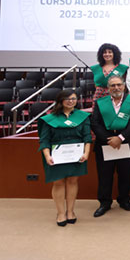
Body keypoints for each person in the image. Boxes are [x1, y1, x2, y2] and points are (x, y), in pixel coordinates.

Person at [91, 75, 130, 217]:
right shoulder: (100, 102)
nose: (116, 88)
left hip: (125, 142)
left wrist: (120, 138)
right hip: (105, 143)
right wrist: (110, 139)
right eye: (113, 85)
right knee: (104, 175)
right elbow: (95, 123)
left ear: (124, 86)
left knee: (125, 174)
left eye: (119, 85)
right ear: (108, 88)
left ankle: (124, 200)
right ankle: (104, 203)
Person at [38, 89, 92, 226]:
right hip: (56, 156)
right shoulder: (49, 119)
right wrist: (47, 156)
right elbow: (44, 140)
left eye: (73, 98)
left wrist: (86, 153)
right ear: (61, 100)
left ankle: (70, 211)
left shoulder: (83, 116)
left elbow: (87, 138)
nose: (71, 101)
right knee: (58, 182)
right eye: (68, 98)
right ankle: (61, 213)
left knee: (73, 181)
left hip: (77, 155)